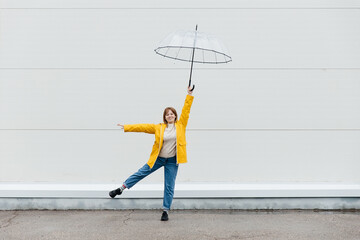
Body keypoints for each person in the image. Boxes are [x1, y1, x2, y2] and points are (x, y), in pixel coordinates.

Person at [109, 87, 194, 221]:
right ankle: (121, 188)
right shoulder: (158, 128)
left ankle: (165, 211)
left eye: (172, 113)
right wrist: (126, 127)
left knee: (169, 186)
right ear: (164, 117)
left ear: (176, 116)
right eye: (167, 114)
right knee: (141, 172)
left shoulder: (181, 125)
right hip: (158, 159)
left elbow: (186, 110)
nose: (170, 115)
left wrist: (189, 94)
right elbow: (142, 127)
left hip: (172, 160)